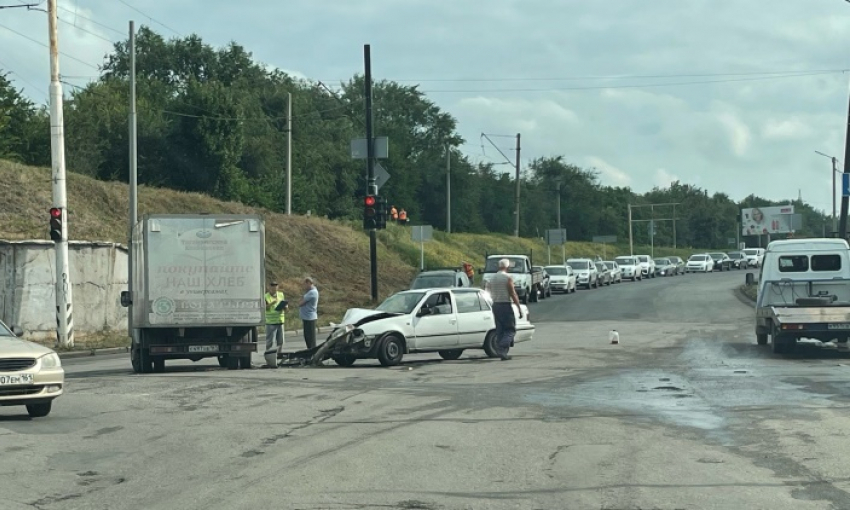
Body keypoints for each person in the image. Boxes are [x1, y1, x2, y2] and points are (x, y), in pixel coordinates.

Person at [484, 258, 523, 360]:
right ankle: (501, 345)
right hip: (505, 305)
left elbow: (487, 292)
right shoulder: (507, 278)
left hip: (495, 305)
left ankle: (502, 353)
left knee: (500, 329)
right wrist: (519, 307)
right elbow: (512, 293)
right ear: (507, 267)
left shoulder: (492, 278)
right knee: (510, 330)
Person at [264, 281, 286, 354]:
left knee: (281, 341)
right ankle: (268, 355)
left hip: (280, 321)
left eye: (276, 286)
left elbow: (284, 304)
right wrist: (272, 303)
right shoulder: (266, 296)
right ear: (269, 287)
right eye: (272, 286)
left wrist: (285, 307)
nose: (274, 287)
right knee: (270, 341)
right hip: (271, 322)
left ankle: (279, 354)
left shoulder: (281, 295)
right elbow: (265, 308)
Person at [299, 277, 320, 350]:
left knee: (310, 339)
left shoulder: (312, 292)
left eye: (304, 284)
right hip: (307, 317)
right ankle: (310, 352)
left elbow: (300, 303)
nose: (303, 286)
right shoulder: (310, 292)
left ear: (308, 283)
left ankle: (313, 354)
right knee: (307, 338)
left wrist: (301, 298)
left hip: (309, 318)